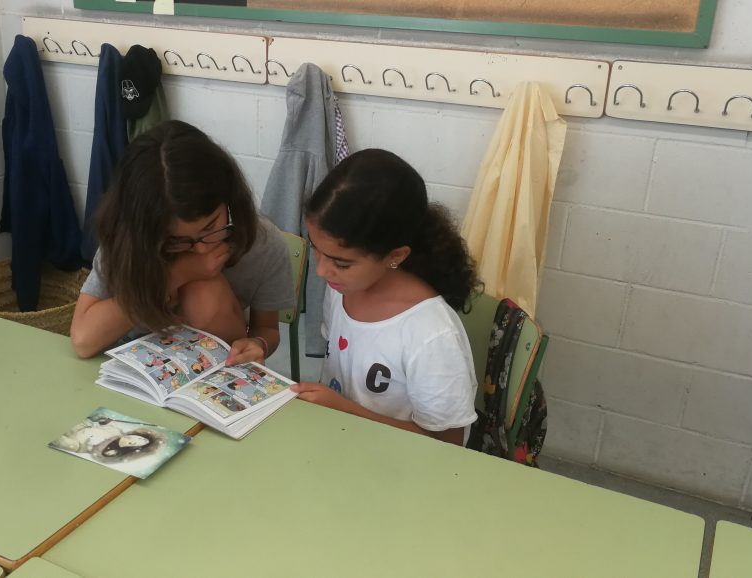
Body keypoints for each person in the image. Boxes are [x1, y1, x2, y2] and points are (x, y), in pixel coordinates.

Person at [290, 149, 481, 446]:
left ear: (395, 256)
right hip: (338, 442)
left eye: (341, 263)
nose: (321, 271)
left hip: (399, 462)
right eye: (316, 248)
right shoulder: (341, 288)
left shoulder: (431, 333)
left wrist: (345, 411)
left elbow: (448, 442)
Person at [71, 121, 295, 363]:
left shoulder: (263, 244)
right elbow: (83, 340)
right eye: (177, 240)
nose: (201, 247)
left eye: (210, 227)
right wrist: (174, 275)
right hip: (132, 365)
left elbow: (267, 330)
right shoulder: (131, 240)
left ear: (229, 197)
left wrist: (258, 344)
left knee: (205, 292)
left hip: (216, 367)